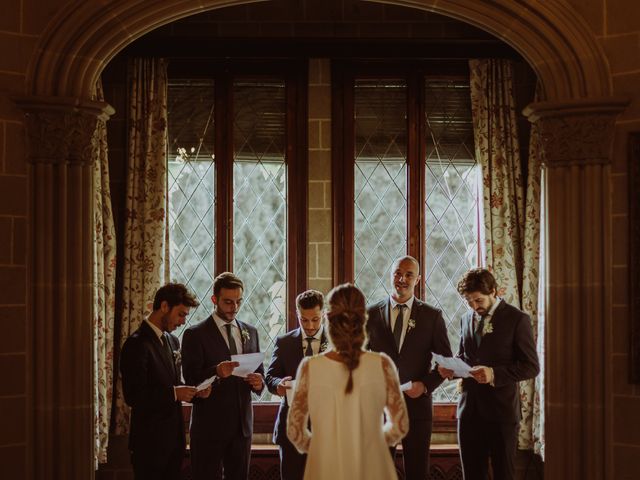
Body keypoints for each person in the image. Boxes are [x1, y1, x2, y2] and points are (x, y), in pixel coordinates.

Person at [287, 283, 409, 480]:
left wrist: (321, 448)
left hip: (325, 468)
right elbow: (400, 426)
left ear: (327, 319)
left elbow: (295, 431)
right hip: (373, 467)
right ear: (363, 320)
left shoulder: (310, 367)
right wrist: (374, 442)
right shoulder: (383, 365)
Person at [438, 268, 540, 480]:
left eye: (478, 300)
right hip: (469, 412)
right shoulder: (466, 318)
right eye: (469, 301)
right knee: (472, 475)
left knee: (504, 474)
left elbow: (531, 366)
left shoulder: (517, 319)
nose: (474, 307)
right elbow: (466, 356)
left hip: (501, 413)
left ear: (493, 291)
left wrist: (493, 374)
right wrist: (453, 370)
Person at [366, 255, 452, 480]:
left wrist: (424, 385)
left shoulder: (432, 317)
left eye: (409, 274)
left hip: (417, 409)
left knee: (417, 472)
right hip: (379, 409)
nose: (402, 279)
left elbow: (445, 362)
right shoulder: (370, 314)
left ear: (418, 280)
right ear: (391, 275)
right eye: (397, 273)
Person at [120, 282, 211, 480]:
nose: (182, 321)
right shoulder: (136, 344)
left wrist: (195, 394)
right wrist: (174, 393)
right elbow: (134, 396)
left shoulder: (172, 341)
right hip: (149, 443)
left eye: (186, 316)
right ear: (164, 307)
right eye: (180, 314)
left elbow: (174, 384)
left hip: (174, 442)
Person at [181, 272, 265, 480]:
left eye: (238, 302)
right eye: (228, 302)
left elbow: (260, 372)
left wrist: (258, 382)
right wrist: (216, 371)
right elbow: (190, 379)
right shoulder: (195, 334)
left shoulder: (251, 331)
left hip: (242, 428)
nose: (234, 307)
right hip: (209, 428)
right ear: (214, 299)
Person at [266, 290, 329, 480]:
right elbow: (270, 377)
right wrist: (278, 384)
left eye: (315, 320)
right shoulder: (284, 342)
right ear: (297, 314)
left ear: (324, 314)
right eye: (304, 320)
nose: (310, 326)